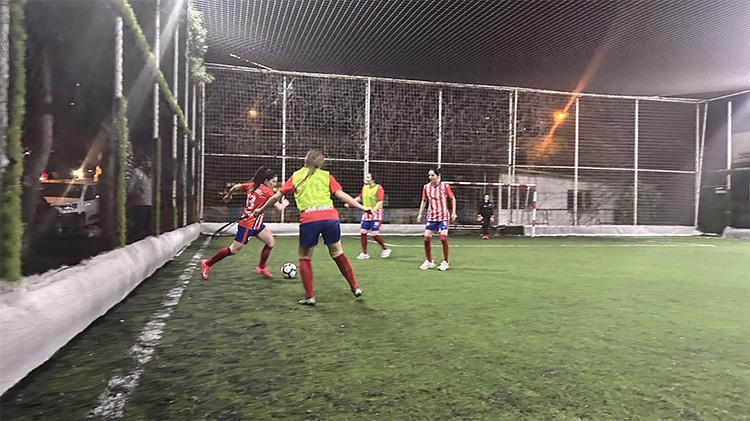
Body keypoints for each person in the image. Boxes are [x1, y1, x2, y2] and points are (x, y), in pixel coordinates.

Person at [254, 150, 371, 305]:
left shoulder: (296, 176)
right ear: (321, 163)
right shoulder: (326, 175)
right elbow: (341, 195)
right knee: (337, 253)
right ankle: (355, 287)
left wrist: (260, 209)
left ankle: (310, 297)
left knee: (305, 257)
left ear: (305, 159)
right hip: (330, 217)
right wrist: (362, 208)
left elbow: (277, 196)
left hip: (310, 219)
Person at [200, 166, 289, 280]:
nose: (275, 184)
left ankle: (261, 268)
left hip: (255, 224)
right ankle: (207, 263)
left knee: (270, 242)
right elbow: (279, 208)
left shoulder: (252, 185)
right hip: (248, 225)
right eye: (273, 182)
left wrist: (228, 195)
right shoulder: (268, 192)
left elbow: (235, 187)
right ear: (266, 181)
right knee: (233, 250)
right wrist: (285, 203)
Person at [416, 168, 456, 271]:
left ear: (438, 176)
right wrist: (420, 214)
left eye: (432, 175)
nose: (430, 177)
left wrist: (453, 212)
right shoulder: (426, 187)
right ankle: (429, 261)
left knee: (443, 238)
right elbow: (423, 201)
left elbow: (452, 198)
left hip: (443, 216)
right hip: (432, 216)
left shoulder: (445, 186)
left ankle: (445, 262)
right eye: (429, 175)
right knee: (426, 239)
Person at [347, 173, 391, 259]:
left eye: (368, 177)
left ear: (372, 179)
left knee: (374, 234)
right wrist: (350, 202)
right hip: (366, 213)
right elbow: (360, 198)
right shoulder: (365, 187)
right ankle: (364, 253)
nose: (366, 178)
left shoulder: (378, 188)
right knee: (363, 232)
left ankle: (385, 249)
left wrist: (374, 210)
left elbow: (380, 202)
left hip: (376, 213)